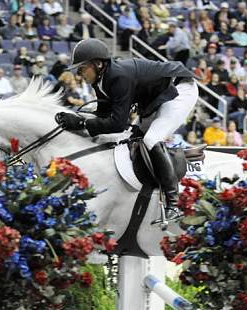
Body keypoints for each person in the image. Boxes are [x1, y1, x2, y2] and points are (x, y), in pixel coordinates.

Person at [54, 39, 197, 223]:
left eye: (82, 68)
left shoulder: (118, 76)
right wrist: (78, 119)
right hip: (156, 98)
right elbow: (103, 115)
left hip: (179, 89)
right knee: (135, 137)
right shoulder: (100, 81)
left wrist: (81, 123)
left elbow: (117, 124)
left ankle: (173, 204)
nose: (79, 74)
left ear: (98, 64)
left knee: (151, 139)